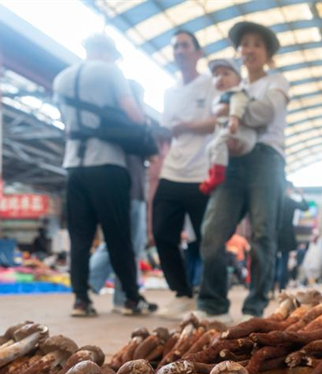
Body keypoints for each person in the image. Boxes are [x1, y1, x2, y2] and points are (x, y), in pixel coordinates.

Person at [52, 34, 155, 316]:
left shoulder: (61, 78)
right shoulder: (111, 71)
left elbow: (66, 124)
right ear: (108, 52)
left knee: (80, 237)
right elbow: (134, 115)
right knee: (118, 235)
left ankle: (81, 299)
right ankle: (131, 298)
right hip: (108, 163)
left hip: (74, 165)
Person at [197, 21, 290, 321]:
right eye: (244, 44)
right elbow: (223, 120)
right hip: (233, 162)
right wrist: (230, 110)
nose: (249, 49)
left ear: (267, 53)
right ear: (238, 51)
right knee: (212, 232)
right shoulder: (236, 86)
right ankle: (213, 305)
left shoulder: (277, 82)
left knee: (263, 234)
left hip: (266, 159)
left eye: (256, 44)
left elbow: (266, 113)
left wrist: (231, 110)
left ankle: (254, 308)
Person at [153, 30, 217, 318]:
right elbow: (169, 129)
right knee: (162, 233)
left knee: (207, 239)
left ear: (197, 52)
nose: (179, 50)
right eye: (175, 46)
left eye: (185, 45)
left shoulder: (211, 85)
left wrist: (189, 124)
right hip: (173, 170)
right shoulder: (170, 91)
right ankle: (181, 293)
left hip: (202, 172)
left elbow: (218, 121)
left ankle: (212, 297)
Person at [88, 80, 152, 313]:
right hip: (129, 190)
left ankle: (121, 295)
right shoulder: (125, 122)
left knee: (124, 243)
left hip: (132, 190)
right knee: (125, 244)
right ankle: (101, 284)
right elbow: (150, 150)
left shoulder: (119, 122)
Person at [199, 57, 257, 195]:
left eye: (226, 74)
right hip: (231, 134)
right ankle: (211, 174)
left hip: (241, 134)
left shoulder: (237, 93)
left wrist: (234, 119)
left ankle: (217, 176)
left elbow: (238, 105)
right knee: (210, 148)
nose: (220, 78)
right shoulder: (220, 98)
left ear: (238, 79)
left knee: (217, 144)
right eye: (216, 75)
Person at [276, 182, 309, 291]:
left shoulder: (277, 201)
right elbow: (305, 207)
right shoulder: (290, 201)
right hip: (287, 235)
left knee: (274, 261)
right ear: (289, 189)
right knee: (284, 261)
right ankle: (281, 287)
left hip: (275, 234)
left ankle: (271, 288)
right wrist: (301, 195)